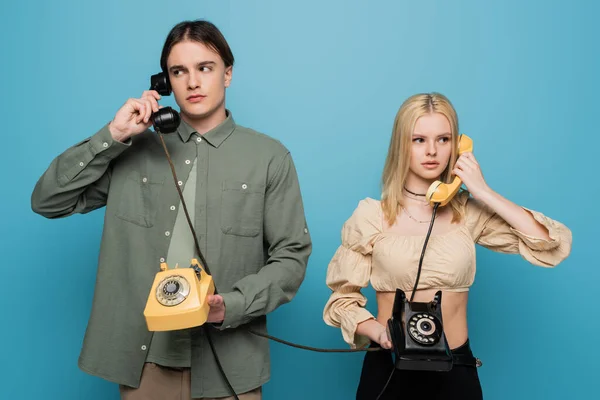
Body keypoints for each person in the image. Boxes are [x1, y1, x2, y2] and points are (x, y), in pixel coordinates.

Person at [31, 19, 312, 400]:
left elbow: (291, 256)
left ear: (227, 74)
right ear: (164, 82)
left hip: (229, 363)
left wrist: (231, 306)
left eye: (205, 68)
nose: (192, 82)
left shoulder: (269, 157)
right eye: (179, 71)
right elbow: (48, 200)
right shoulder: (134, 150)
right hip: (144, 362)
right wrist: (111, 137)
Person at [322, 92, 572, 399]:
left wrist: (482, 191)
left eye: (443, 139)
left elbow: (549, 243)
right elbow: (341, 299)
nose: (432, 151)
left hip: (456, 368)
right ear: (401, 145)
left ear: (457, 145)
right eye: (418, 140)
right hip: (389, 365)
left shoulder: (467, 211)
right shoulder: (371, 215)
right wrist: (378, 332)